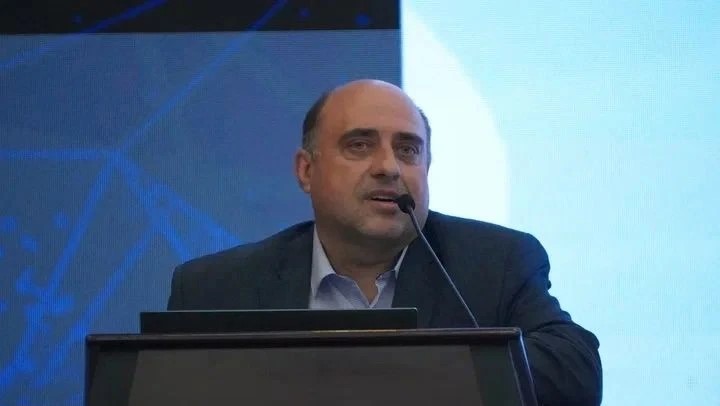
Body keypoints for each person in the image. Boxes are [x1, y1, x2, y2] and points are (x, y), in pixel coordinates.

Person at [167, 79, 602, 405]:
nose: (389, 167)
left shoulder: (495, 261)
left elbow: (575, 372)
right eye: (360, 145)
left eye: (408, 150)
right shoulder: (215, 287)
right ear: (306, 170)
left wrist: (403, 369)